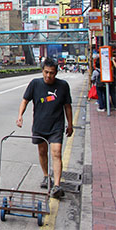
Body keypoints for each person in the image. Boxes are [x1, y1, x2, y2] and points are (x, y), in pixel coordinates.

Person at [16, 57, 73, 199]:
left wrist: (70, 124)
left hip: (56, 126)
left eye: (52, 73)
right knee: (42, 152)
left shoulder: (63, 86)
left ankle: (57, 185)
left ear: (56, 73)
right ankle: (47, 176)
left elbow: (67, 106)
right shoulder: (35, 84)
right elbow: (25, 100)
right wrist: (20, 116)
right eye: (46, 72)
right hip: (40, 125)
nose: (49, 76)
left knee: (56, 153)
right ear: (42, 71)